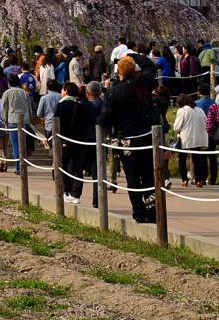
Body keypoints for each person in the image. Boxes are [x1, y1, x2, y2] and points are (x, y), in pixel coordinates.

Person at [98, 55, 157, 223]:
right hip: (146, 137)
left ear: (118, 71)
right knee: (148, 175)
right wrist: (133, 55)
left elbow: (105, 118)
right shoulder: (144, 83)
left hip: (127, 140)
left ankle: (138, 212)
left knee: (132, 177)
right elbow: (150, 67)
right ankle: (151, 210)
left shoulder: (114, 91)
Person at [57, 81, 92, 205]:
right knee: (78, 168)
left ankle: (66, 191)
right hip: (81, 141)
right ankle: (76, 194)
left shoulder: (61, 105)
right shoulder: (81, 106)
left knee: (63, 166)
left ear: (66, 91)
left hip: (66, 140)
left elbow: (57, 123)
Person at [173, 93, 208, 187]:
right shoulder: (200, 110)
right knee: (196, 159)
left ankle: (185, 179)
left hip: (185, 138)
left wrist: (177, 130)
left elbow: (177, 127)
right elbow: (205, 122)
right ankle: (198, 180)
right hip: (198, 138)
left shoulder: (182, 110)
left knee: (182, 159)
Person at [1, 75, 32, 175]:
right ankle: (22, 165)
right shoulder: (25, 93)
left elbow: (4, 109)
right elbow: (29, 107)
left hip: (13, 119)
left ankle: (18, 167)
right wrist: (30, 119)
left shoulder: (7, 93)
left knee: (16, 145)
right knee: (23, 144)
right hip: (25, 120)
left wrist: (5, 121)